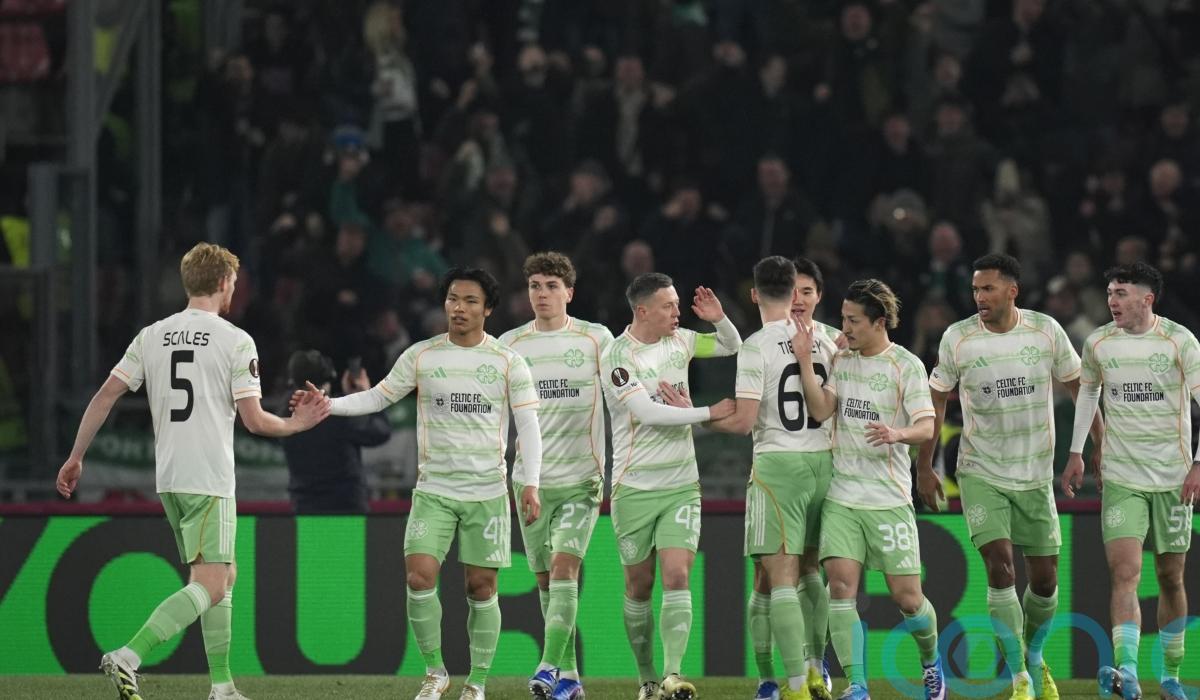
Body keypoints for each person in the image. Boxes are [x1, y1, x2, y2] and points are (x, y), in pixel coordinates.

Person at [55, 243, 331, 700]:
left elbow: (105, 396)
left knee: (223, 576)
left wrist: (75, 455)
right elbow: (255, 421)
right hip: (209, 476)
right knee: (211, 584)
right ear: (223, 282)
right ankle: (129, 656)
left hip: (170, 478)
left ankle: (222, 687)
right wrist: (298, 424)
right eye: (234, 283)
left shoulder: (152, 335)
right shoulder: (235, 340)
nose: (234, 291)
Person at [295, 267, 543, 700]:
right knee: (418, 577)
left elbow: (529, 426)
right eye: (452, 299)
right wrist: (328, 405)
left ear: (487, 309)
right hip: (434, 491)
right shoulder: (422, 356)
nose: (458, 308)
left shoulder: (508, 361)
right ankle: (435, 672)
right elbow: (378, 396)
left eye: (469, 301)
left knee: (481, 587)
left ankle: (477, 682)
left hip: (486, 492)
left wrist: (531, 483)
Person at [915, 253, 1103, 700]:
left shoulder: (1045, 331)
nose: (979, 297)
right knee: (1000, 567)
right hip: (980, 469)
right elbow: (935, 401)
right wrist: (924, 465)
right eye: (975, 289)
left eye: (988, 288)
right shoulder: (958, 338)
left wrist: (1094, 445)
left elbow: (1080, 388)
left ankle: (1034, 656)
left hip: (1035, 473)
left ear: (1012, 290)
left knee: (1045, 581)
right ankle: (1019, 676)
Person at [792, 279, 946, 700]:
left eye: (854, 320)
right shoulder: (843, 360)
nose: (845, 328)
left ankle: (931, 663)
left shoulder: (906, 365)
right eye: (843, 319)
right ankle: (857, 684)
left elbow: (926, 426)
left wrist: (898, 434)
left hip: (889, 499)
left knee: (908, 599)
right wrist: (806, 362)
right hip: (843, 496)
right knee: (841, 588)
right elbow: (822, 410)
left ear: (879, 322)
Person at [700, 256, 839, 700]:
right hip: (825, 463)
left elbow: (743, 422)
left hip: (779, 466)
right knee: (811, 571)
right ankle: (816, 669)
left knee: (778, 577)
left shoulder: (756, 346)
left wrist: (695, 416)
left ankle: (793, 686)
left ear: (754, 294)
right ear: (794, 292)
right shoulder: (828, 339)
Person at [1063, 262, 1200, 700]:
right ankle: (1128, 672)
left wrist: (1198, 465)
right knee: (1124, 572)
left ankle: (1171, 677)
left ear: (1147, 299)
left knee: (1170, 576)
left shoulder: (1180, 341)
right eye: (1109, 293)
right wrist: (1077, 451)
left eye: (1121, 293)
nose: (1112, 301)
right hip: (1122, 475)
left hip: (1173, 477)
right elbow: (1088, 392)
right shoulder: (1099, 342)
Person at [600, 273, 739, 700]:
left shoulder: (681, 341)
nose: (678, 312)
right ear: (642, 311)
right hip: (634, 486)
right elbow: (647, 412)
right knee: (639, 585)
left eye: (678, 304)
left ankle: (673, 674)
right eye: (669, 306)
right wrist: (708, 412)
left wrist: (719, 319)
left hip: (680, 483)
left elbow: (731, 345)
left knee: (677, 575)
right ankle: (646, 679)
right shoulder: (617, 356)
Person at [497, 252, 614, 700]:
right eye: (534, 286)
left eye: (550, 286)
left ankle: (547, 667)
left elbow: (624, 392)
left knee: (565, 567)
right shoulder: (510, 344)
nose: (541, 294)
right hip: (530, 481)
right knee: (546, 580)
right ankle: (570, 678)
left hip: (582, 479)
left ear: (569, 292)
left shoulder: (595, 338)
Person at [281, 350, 391, 514]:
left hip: (305, 509)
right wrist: (365, 397)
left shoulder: (285, 414)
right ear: (329, 378)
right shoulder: (339, 413)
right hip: (346, 509)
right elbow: (380, 433)